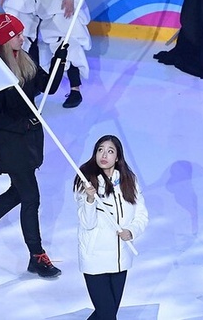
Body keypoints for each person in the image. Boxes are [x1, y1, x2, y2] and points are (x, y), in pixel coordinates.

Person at [0, 13, 67, 278]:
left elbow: (47, 87)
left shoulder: (23, 57)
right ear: (7, 39)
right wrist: (24, 124)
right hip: (10, 143)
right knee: (31, 197)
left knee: (17, 193)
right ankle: (37, 256)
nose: (23, 36)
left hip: (28, 139)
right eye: (17, 34)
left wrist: (59, 61)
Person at [73, 135, 149, 320]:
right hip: (95, 259)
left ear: (117, 157)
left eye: (110, 151)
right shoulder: (86, 180)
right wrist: (90, 199)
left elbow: (141, 214)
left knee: (106, 314)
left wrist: (131, 231)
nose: (104, 154)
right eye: (100, 149)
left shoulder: (129, 180)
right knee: (107, 315)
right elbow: (87, 223)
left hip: (120, 259)